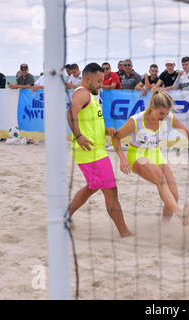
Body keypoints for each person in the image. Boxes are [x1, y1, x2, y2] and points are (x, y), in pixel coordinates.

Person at [112, 88, 189, 224]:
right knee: (159, 177)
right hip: (137, 154)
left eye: (167, 113)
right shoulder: (136, 121)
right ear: (152, 106)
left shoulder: (168, 117)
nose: (164, 116)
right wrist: (122, 159)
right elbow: (115, 138)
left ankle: (164, 226)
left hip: (155, 153)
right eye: (161, 113)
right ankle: (181, 214)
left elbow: (187, 133)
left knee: (174, 195)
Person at [67, 62, 132, 237]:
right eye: (98, 80)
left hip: (95, 151)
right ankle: (124, 232)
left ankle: (65, 217)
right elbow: (70, 113)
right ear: (88, 78)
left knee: (92, 187)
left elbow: (89, 122)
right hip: (91, 152)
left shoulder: (91, 96)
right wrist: (79, 136)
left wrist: (106, 130)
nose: (101, 84)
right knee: (111, 190)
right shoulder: (82, 93)